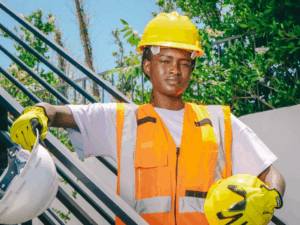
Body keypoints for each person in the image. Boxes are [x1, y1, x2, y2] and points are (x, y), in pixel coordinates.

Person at [10, 11, 285, 225]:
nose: (174, 70)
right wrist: (39, 112)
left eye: (183, 63)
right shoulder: (122, 120)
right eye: (165, 61)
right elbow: (64, 114)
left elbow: (270, 173)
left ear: (191, 69)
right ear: (147, 66)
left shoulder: (220, 121)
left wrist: (271, 196)